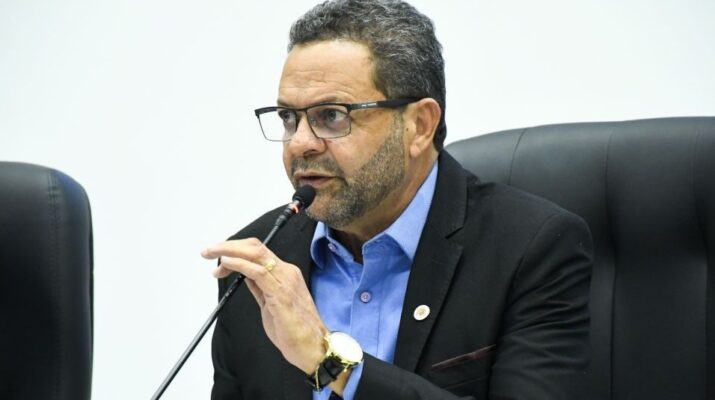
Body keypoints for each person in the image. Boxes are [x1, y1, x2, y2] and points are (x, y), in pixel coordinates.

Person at [203, 0, 593, 399]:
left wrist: (330, 362)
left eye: (332, 115)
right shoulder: (260, 265)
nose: (300, 143)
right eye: (289, 117)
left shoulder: (529, 249)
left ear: (420, 126)